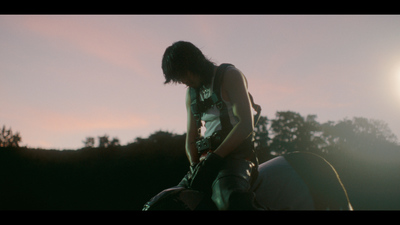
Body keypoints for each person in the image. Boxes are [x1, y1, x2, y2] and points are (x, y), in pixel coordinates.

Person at [161, 41, 261, 210]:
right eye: (179, 78)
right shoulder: (191, 93)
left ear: (194, 63)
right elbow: (191, 135)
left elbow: (246, 125)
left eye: (183, 74)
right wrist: (195, 167)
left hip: (236, 156)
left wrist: (215, 158)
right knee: (168, 202)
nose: (184, 81)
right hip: (205, 161)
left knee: (229, 200)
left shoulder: (230, 75)